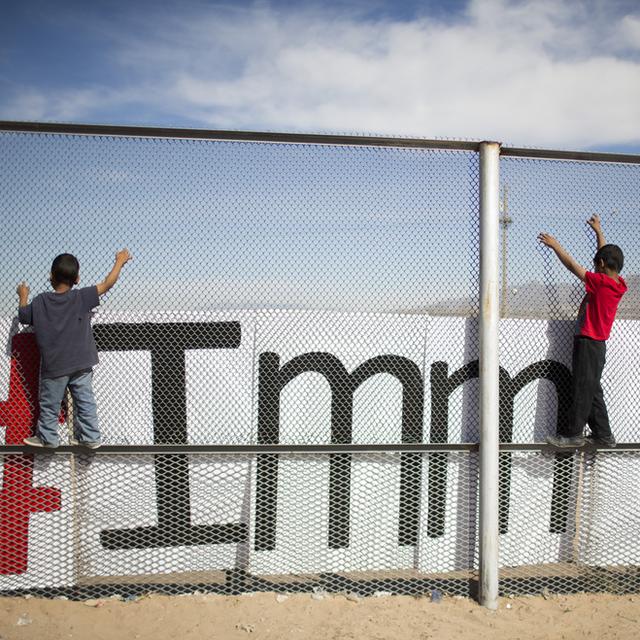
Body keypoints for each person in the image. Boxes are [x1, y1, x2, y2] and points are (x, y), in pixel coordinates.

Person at [17, 250, 133, 449]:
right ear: (77, 279)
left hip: (54, 366)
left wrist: (23, 296)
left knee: (50, 404)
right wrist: (119, 262)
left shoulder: (40, 301)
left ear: (50, 276)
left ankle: (48, 437)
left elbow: (23, 316)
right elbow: (108, 284)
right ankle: (91, 436)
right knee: (85, 401)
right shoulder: (82, 297)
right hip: (82, 362)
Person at [538, 215, 626, 448]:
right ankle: (604, 434)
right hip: (597, 345)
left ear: (601, 266)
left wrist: (556, 245)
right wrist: (599, 231)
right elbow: (605, 255)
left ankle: (573, 434)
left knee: (581, 388)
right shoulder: (617, 283)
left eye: (598, 263)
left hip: (589, 342)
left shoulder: (600, 283)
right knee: (592, 387)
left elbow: (573, 267)